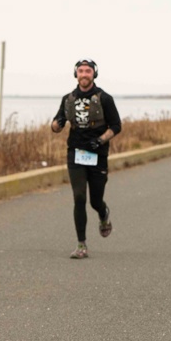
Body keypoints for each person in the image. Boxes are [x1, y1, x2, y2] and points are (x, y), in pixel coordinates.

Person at [51, 58, 122, 258]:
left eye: (88, 71)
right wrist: (56, 124)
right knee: (79, 197)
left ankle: (103, 214)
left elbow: (116, 126)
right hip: (75, 153)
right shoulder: (68, 99)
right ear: (76, 74)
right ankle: (81, 245)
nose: (84, 74)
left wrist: (100, 140)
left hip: (98, 155)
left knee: (95, 201)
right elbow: (56, 125)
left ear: (94, 74)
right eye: (81, 71)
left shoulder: (105, 98)